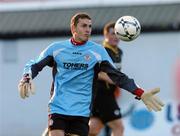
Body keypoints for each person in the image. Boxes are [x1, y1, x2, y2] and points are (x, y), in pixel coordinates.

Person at [18, 12, 164, 136]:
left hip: (81, 111)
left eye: (90, 26)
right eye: (83, 26)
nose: (88, 29)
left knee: (99, 128)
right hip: (58, 107)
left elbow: (118, 77)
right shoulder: (57, 49)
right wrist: (26, 77)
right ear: (73, 27)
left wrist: (140, 92)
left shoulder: (97, 52)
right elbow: (34, 64)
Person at [89, 22, 124, 136]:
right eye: (113, 34)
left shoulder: (118, 52)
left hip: (106, 94)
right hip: (101, 94)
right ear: (106, 35)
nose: (115, 37)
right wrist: (114, 80)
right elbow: (96, 72)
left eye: (117, 34)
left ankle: (65, 132)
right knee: (119, 127)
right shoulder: (102, 51)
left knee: (93, 129)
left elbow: (115, 72)